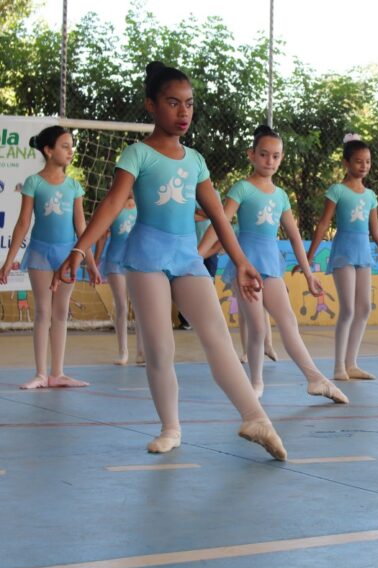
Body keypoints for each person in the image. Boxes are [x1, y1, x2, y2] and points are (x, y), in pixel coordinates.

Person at [53, 61, 286, 460]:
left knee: (218, 338)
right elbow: (110, 205)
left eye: (189, 105)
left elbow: (218, 215)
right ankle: (171, 428)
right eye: (173, 103)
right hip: (146, 256)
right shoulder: (137, 153)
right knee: (160, 349)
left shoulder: (195, 159)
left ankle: (255, 417)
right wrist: (80, 249)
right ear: (151, 105)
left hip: (187, 257)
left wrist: (243, 261)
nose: (183, 113)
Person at [198, 124, 348, 404]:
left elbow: (293, 236)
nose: (270, 161)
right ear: (251, 155)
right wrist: (199, 254)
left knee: (288, 321)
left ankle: (315, 378)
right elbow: (221, 223)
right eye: (264, 155)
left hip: (272, 266)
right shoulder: (242, 188)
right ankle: (255, 382)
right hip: (247, 267)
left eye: (276, 156)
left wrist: (308, 274)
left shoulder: (280, 196)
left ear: (281, 158)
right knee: (256, 327)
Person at [305, 134, 378, 381]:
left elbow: (376, 232)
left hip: (363, 254)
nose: (363, 166)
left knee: (363, 308)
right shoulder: (337, 191)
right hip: (344, 252)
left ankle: (352, 363)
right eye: (358, 161)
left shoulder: (370, 195)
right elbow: (323, 225)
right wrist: (309, 257)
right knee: (348, 308)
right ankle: (338, 367)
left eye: (367, 161)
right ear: (346, 163)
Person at [0, 126, 99, 389]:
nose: (70, 151)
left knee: (61, 311)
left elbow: (81, 227)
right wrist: (9, 261)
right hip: (41, 253)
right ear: (48, 150)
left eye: (71, 146)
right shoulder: (34, 182)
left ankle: (58, 372)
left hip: (68, 255)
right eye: (64, 146)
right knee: (43, 311)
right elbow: (22, 223)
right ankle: (41, 373)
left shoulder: (74, 186)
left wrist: (89, 262)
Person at [94, 195, 145, 365]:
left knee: (139, 307)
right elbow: (102, 235)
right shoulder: (113, 206)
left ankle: (142, 351)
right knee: (122, 305)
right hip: (115, 260)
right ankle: (123, 352)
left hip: (137, 260)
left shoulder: (142, 206)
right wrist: (96, 259)